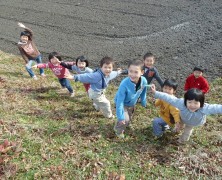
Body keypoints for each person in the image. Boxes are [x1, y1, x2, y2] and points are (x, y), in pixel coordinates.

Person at [151, 85, 222, 143]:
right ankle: (177, 129)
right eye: (190, 102)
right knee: (179, 125)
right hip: (183, 118)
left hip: (193, 123)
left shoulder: (205, 108)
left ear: (201, 103)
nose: (192, 105)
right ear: (185, 101)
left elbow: (216, 108)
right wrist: (156, 92)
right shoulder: (181, 103)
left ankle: (182, 141)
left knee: (187, 132)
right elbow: (169, 98)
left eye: (196, 103)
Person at [114, 60, 148, 138]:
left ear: (142, 72)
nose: (132, 74)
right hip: (122, 103)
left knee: (129, 115)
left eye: (136, 72)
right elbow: (120, 101)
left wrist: (143, 101)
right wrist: (120, 116)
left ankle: (127, 124)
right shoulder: (124, 84)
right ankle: (118, 130)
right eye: (130, 71)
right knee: (124, 119)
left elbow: (143, 92)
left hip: (132, 103)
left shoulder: (144, 81)